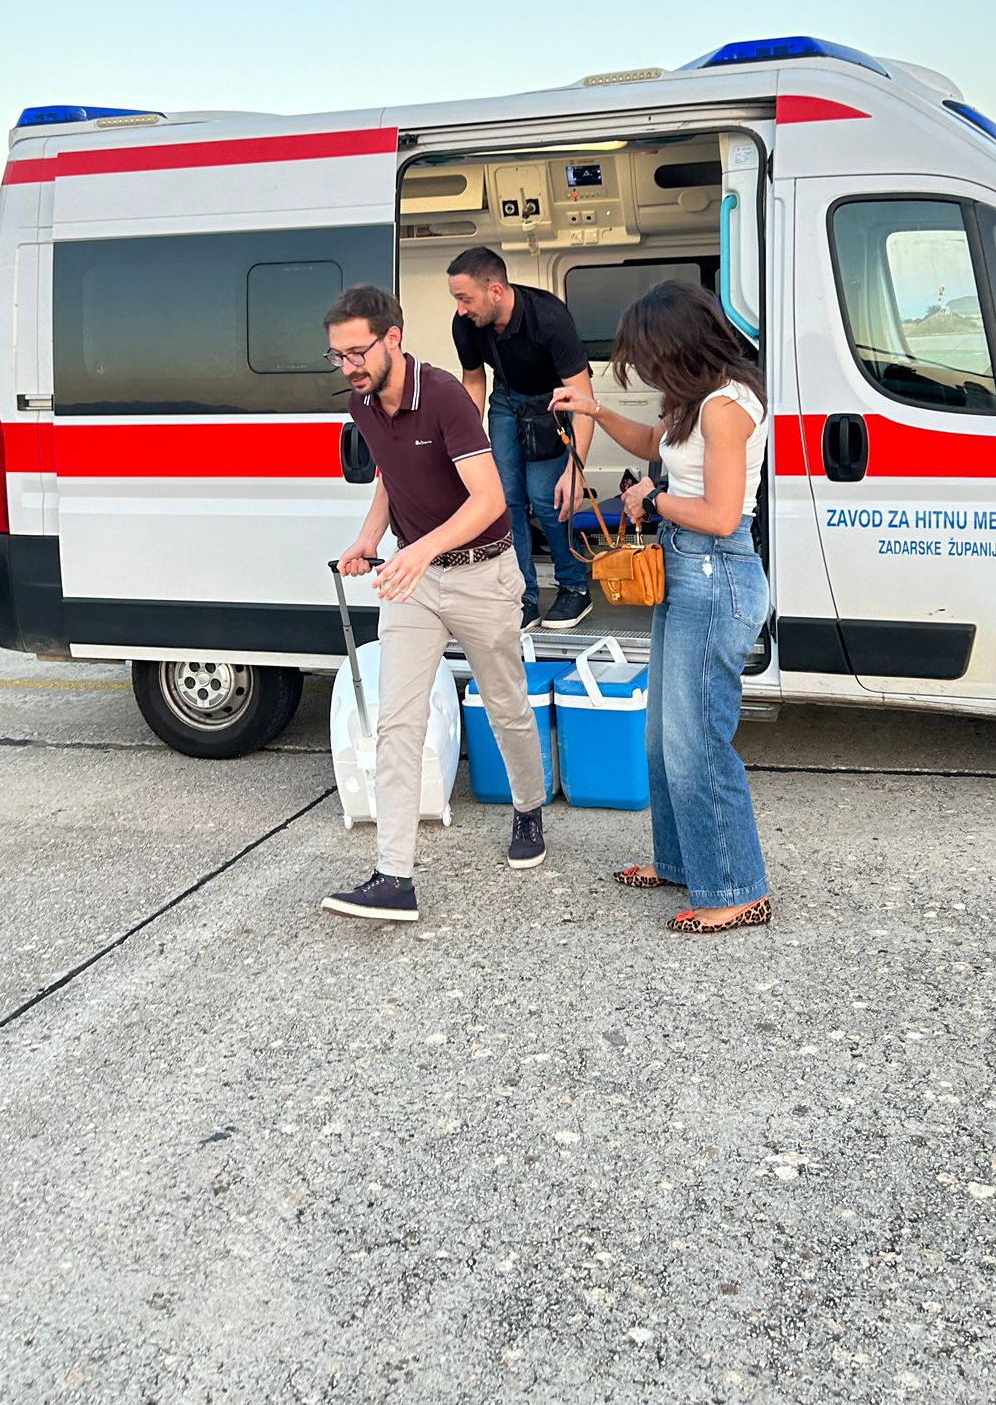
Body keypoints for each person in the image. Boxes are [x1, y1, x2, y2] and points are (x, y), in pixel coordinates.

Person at [322, 284, 548, 925]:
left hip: (481, 574)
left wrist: (417, 551)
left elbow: (490, 500)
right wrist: (370, 539)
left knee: (506, 706)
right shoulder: (362, 404)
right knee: (397, 722)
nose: (349, 367)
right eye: (337, 357)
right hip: (413, 584)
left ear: (393, 337)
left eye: (357, 352)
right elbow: (393, 481)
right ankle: (394, 876)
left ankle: (529, 809)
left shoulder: (445, 394)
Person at [551, 281, 773, 935]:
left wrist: (652, 500)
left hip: (716, 572)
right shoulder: (696, 401)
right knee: (662, 739)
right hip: (687, 572)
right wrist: (591, 410)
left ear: (678, 348)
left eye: (648, 356)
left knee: (698, 742)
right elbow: (654, 442)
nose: (644, 369)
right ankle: (681, 861)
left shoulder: (726, 408)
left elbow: (721, 513)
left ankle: (738, 887)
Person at [446, 247, 597, 634]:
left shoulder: (548, 318)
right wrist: (467, 444)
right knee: (504, 499)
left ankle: (575, 587)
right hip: (505, 400)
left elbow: (583, 398)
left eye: (465, 298)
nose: (460, 309)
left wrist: (575, 470)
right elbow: (474, 380)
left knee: (549, 498)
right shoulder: (466, 324)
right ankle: (523, 595)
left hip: (554, 403)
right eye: (456, 300)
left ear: (495, 291)